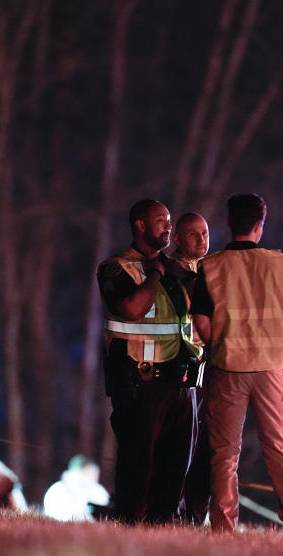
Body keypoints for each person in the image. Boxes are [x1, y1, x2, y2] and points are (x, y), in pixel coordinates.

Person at [189, 193, 283, 535]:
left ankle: (224, 526)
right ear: (260, 224)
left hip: (229, 368)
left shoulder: (210, 266)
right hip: (270, 369)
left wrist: (224, 339)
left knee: (225, 453)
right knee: (279, 450)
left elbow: (201, 321)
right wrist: (269, 330)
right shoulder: (277, 263)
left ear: (228, 222)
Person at [97, 199, 204, 524]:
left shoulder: (177, 271)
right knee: (137, 469)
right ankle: (130, 528)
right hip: (140, 386)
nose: (169, 227)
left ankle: (164, 527)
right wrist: (155, 274)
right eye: (161, 221)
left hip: (181, 387)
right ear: (140, 225)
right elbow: (130, 309)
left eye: (170, 221)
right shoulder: (116, 267)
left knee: (174, 471)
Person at [167, 212, 211, 523]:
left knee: (207, 443)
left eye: (205, 233)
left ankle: (197, 512)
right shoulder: (168, 272)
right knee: (181, 441)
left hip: (211, 367)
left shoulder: (213, 271)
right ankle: (173, 507)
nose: (201, 239)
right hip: (181, 367)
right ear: (178, 239)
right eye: (193, 234)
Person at [42, 455, 111, 522]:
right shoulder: (58, 489)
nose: (94, 479)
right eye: (90, 474)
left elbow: (105, 512)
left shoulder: (98, 490)